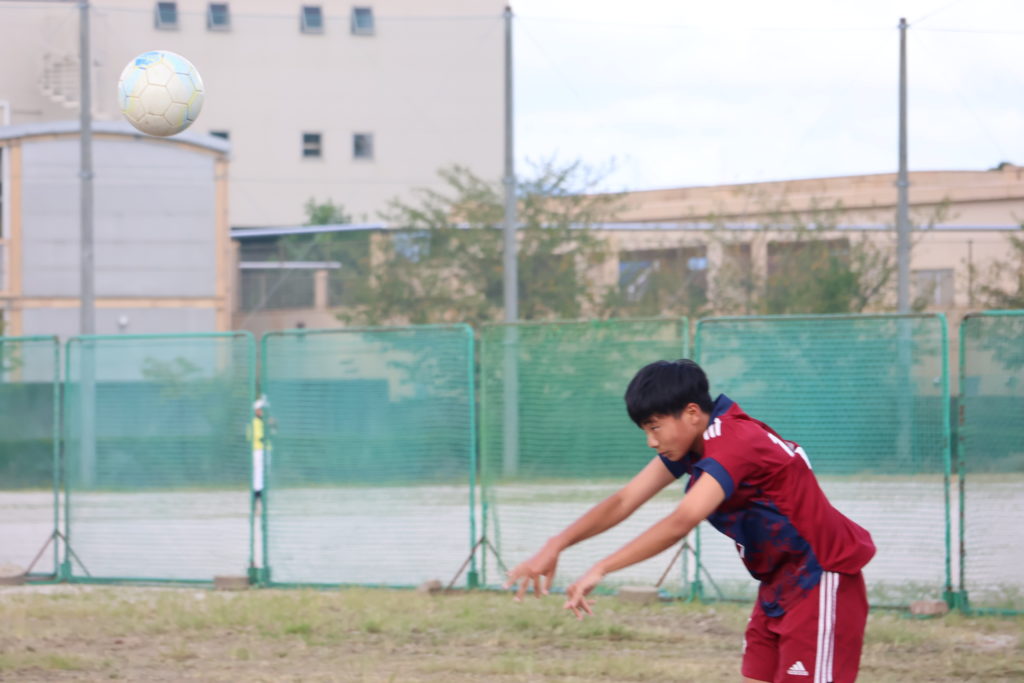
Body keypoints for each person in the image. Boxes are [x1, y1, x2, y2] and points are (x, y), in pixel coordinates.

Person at [504, 359, 875, 683]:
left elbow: (683, 519)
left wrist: (601, 568)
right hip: (778, 582)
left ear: (692, 413)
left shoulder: (734, 440)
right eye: (645, 430)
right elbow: (624, 500)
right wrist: (557, 544)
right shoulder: (694, 444)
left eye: (655, 427)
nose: (651, 441)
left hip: (821, 574)